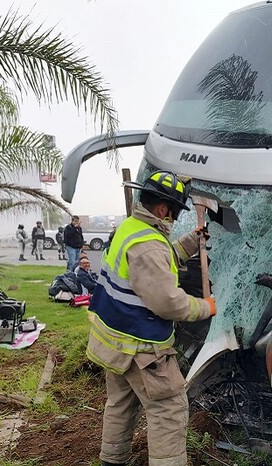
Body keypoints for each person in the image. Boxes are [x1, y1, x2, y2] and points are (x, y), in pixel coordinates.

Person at [86, 171, 216, 466]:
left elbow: (157, 261)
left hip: (114, 342)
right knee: (168, 410)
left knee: (121, 403)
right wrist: (205, 307)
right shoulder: (149, 245)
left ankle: (113, 460)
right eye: (173, 212)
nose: (172, 218)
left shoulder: (131, 228)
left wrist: (190, 243)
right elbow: (167, 303)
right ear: (162, 209)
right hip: (142, 349)